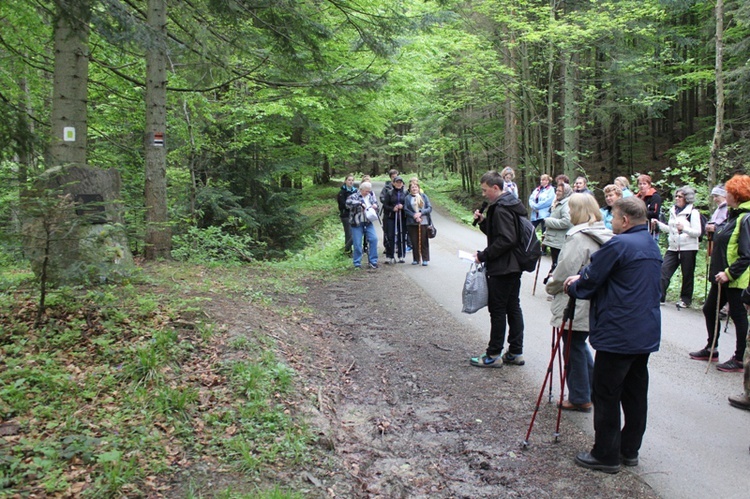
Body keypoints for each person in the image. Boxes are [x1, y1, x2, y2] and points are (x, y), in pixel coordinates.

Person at [564, 196, 662, 474]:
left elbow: (590, 279)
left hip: (618, 331)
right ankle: (629, 450)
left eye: (614, 217)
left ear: (625, 220)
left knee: (606, 393)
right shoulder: (651, 245)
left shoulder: (619, 244)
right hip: (644, 331)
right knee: (635, 393)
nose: (611, 222)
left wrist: (573, 286)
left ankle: (605, 454)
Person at [547, 194, 613, 412]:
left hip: (575, 301)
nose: (569, 213)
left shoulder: (579, 237)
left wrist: (551, 286)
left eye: (571, 209)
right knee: (578, 344)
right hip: (592, 299)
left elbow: (564, 270)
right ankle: (592, 390)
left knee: (572, 346)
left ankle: (579, 396)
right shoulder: (604, 233)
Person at [689, 175, 750, 372]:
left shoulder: (746, 218)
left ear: (737, 195)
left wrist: (729, 273)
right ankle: (711, 348)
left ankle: (739, 359)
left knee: (738, 317)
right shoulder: (734, 215)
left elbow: (747, 254)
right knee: (709, 309)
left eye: (729, 192)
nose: (726, 195)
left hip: (735, 278)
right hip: (721, 276)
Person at [470, 170, 527, 368]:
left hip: (503, 267)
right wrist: (484, 222)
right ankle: (515, 351)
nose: (484, 194)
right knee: (513, 307)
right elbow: (500, 233)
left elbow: (506, 239)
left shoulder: (502, 208)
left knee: (498, 309)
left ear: (496, 188)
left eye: (485, 190)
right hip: (514, 265)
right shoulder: (511, 204)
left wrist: (483, 255)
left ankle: (494, 354)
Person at [651, 186, 701, 308]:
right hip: (673, 246)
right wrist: (659, 225)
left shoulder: (692, 212)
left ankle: (685, 299)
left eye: (680, 197)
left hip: (688, 247)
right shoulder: (673, 210)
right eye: (676, 196)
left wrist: (683, 228)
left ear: (687, 199)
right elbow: (671, 229)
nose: (677, 198)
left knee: (687, 274)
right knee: (664, 271)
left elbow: (697, 232)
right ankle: (660, 296)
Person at [543, 183, 574, 284]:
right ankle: (551, 284)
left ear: (566, 192)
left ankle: (554, 286)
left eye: (560, 191)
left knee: (557, 265)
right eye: (557, 191)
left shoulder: (567, 204)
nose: (557, 193)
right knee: (555, 264)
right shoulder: (559, 202)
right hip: (556, 239)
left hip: (560, 240)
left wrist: (548, 221)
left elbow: (566, 221)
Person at [345, 181, 379, 270]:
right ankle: (357, 263)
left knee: (374, 239)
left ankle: (373, 261)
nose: (367, 192)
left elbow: (377, 207)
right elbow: (348, 203)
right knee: (357, 244)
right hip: (357, 223)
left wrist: (375, 206)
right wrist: (359, 203)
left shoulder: (370, 197)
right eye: (366, 191)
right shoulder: (354, 196)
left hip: (368, 222)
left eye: (369, 191)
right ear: (361, 190)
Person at [404, 180, 432, 266]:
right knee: (414, 241)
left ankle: (425, 259)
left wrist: (421, 213)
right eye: (412, 187)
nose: (414, 188)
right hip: (412, 222)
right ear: (409, 189)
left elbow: (429, 208)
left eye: (416, 187)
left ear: (419, 188)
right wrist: (414, 216)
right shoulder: (407, 198)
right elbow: (405, 209)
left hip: (423, 221)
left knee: (424, 240)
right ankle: (416, 259)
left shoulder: (423, 196)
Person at [382, 176, 408, 264]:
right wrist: (393, 208)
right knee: (390, 236)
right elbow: (385, 206)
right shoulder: (389, 193)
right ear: (393, 183)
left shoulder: (405, 194)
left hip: (402, 217)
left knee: (402, 236)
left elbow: (408, 206)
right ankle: (390, 256)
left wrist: (403, 207)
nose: (398, 184)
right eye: (397, 182)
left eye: (400, 182)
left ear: (403, 184)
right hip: (391, 217)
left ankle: (401, 255)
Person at [636, 174, 662, 241]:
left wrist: (638, 214)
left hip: (651, 230)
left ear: (649, 185)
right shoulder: (636, 198)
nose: (642, 186)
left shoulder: (655, 197)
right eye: (640, 184)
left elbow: (654, 213)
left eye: (644, 184)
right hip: (637, 229)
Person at [380, 169, 399, 252]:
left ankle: (397, 245)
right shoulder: (386, 188)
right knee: (387, 230)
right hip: (388, 212)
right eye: (393, 177)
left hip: (398, 213)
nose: (395, 178)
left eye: (396, 176)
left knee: (398, 230)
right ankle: (387, 246)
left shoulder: (400, 186)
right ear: (390, 178)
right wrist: (390, 203)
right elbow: (382, 198)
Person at [337, 174, 357, 254]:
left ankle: (349, 248)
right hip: (345, 215)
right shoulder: (342, 192)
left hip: (355, 214)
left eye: (352, 180)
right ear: (345, 181)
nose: (350, 182)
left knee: (355, 233)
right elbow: (342, 204)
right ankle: (348, 250)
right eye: (349, 180)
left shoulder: (355, 191)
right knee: (348, 233)